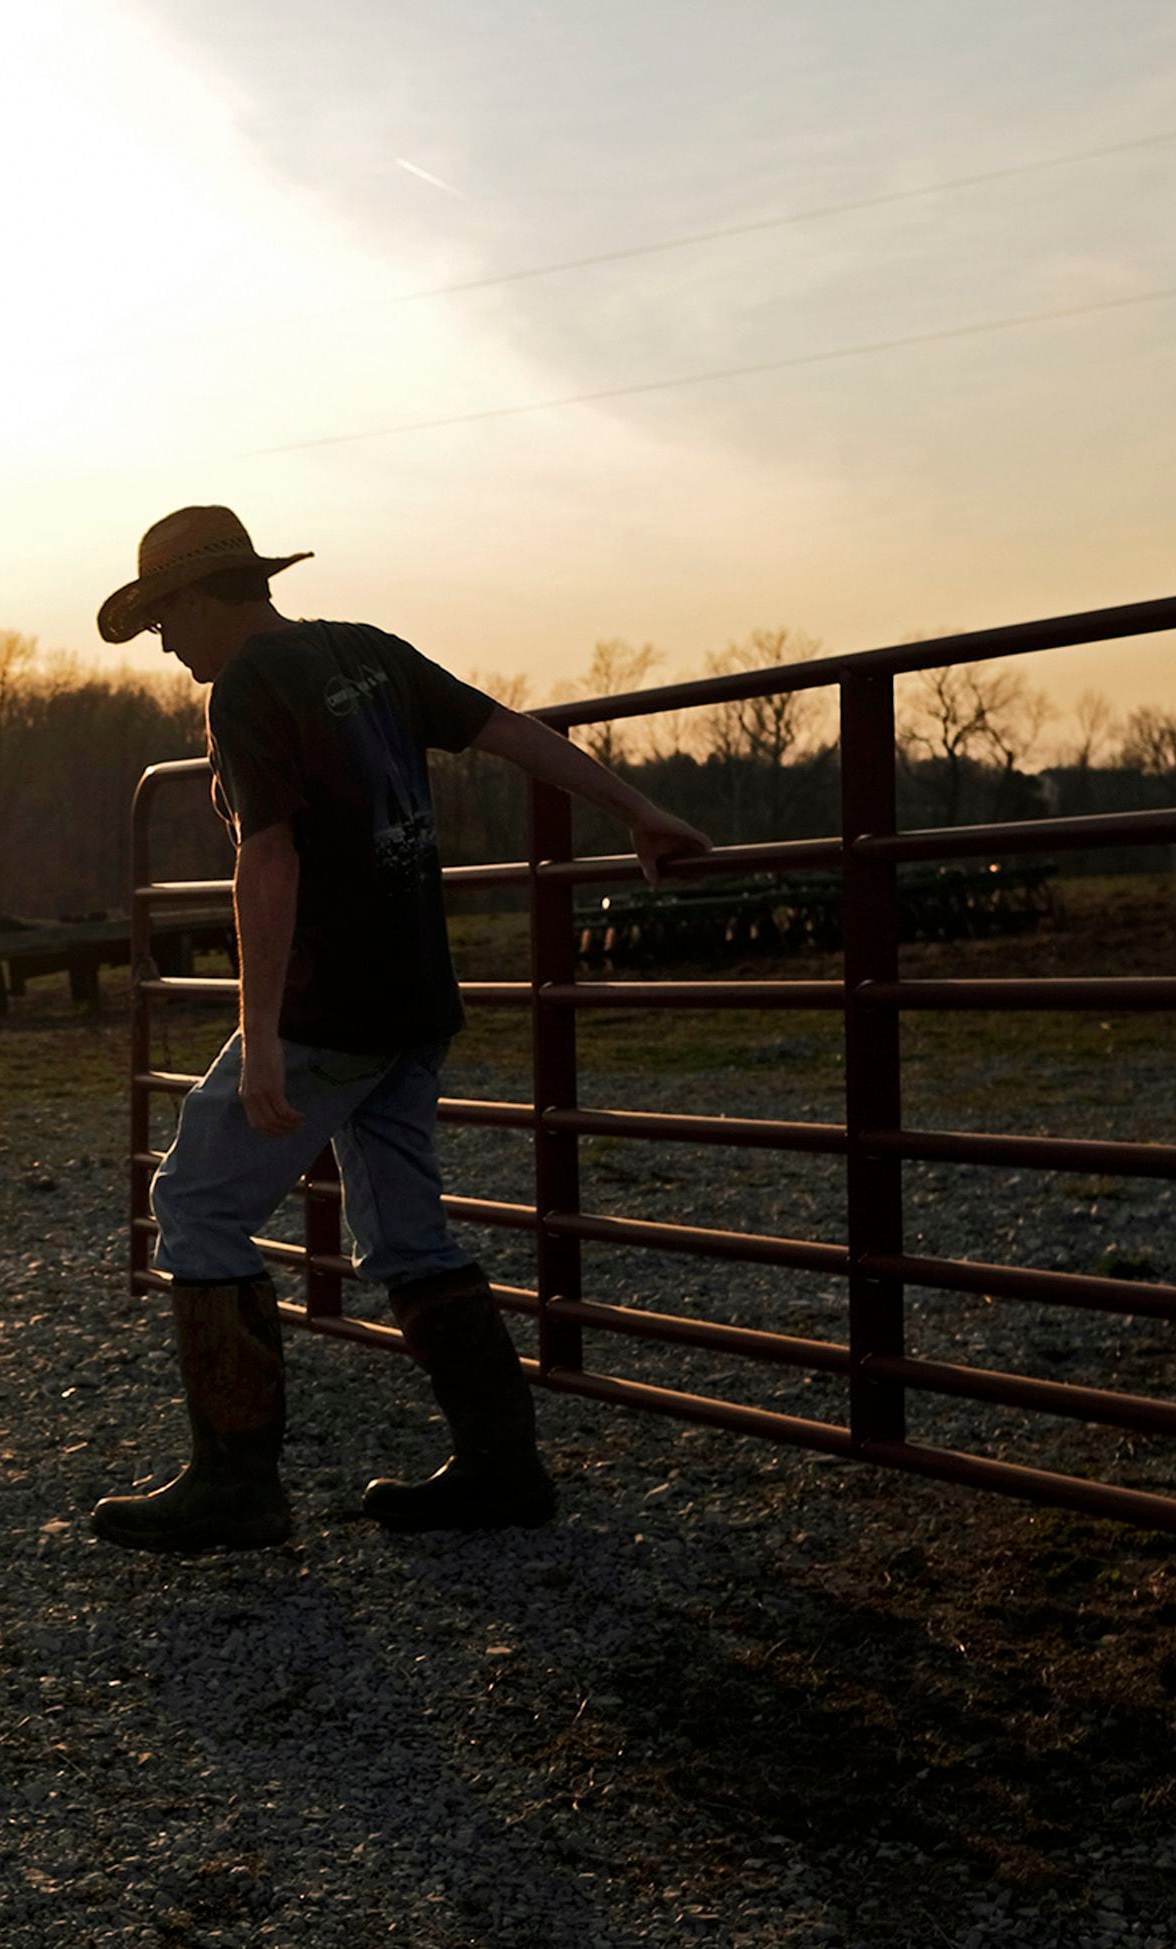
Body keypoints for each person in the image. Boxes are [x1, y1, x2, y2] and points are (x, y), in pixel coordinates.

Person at [89, 505, 715, 1551]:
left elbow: (269, 858)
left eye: (164, 619)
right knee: (406, 1232)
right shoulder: (367, 652)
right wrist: (635, 807)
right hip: (415, 997)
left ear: (200, 597)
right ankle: (501, 1464)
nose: (164, 644)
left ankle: (236, 1486)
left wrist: (262, 1032)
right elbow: (508, 729)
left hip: (329, 1005)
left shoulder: (247, 686)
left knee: (194, 1201)